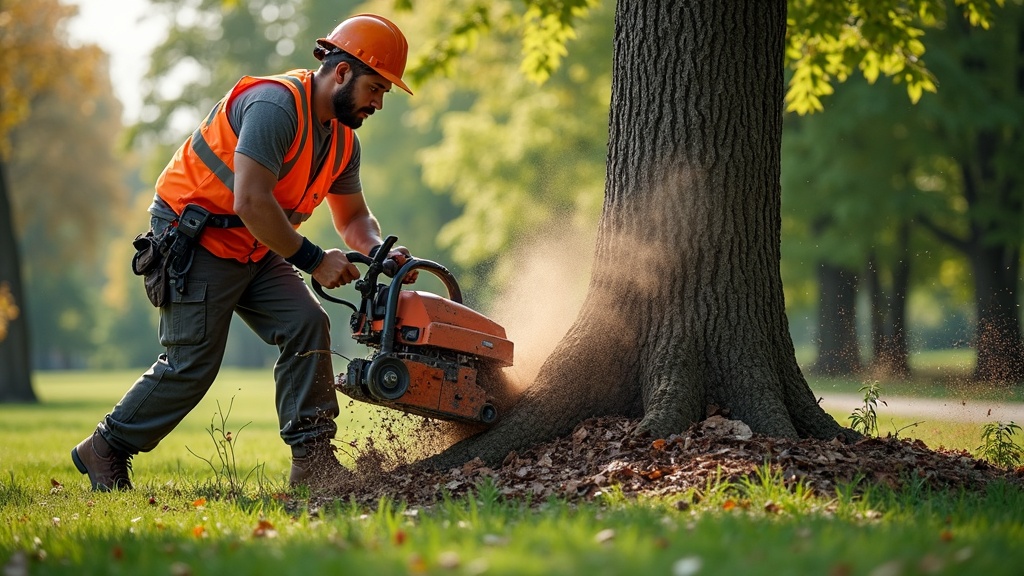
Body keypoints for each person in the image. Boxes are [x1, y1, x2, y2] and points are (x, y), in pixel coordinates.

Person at [71, 13, 415, 493]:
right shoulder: (276, 107)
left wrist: (378, 251)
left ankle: (313, 464)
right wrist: (315, 260)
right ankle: (105, 447)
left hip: (258, 244)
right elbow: (251, 200)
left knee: (305, 323)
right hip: (196, 239)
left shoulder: (343, 142)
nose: (378, 102)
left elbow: (354, 218)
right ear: (341, 73)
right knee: (191, 365)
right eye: (375, 88)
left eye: (384, 93)